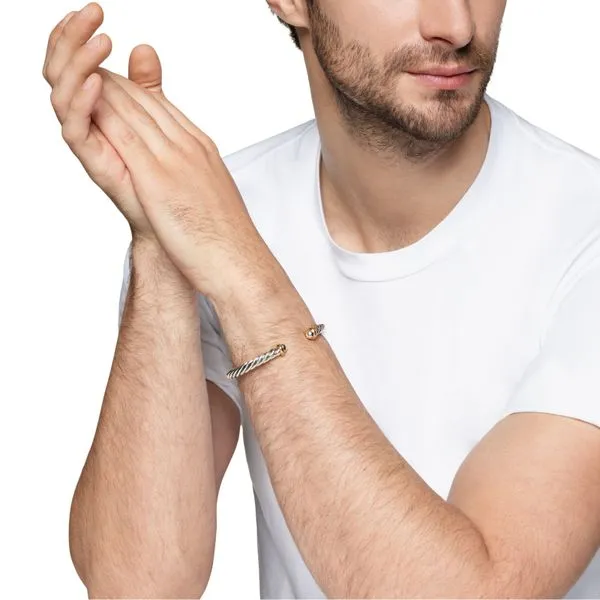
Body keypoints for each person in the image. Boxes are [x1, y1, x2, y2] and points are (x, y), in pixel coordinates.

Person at [43, 0, 600, 597]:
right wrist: (159, 239)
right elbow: (138, 585)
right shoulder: (213, 213)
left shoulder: (583, 231)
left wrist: (241, 271)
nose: (457, 26)